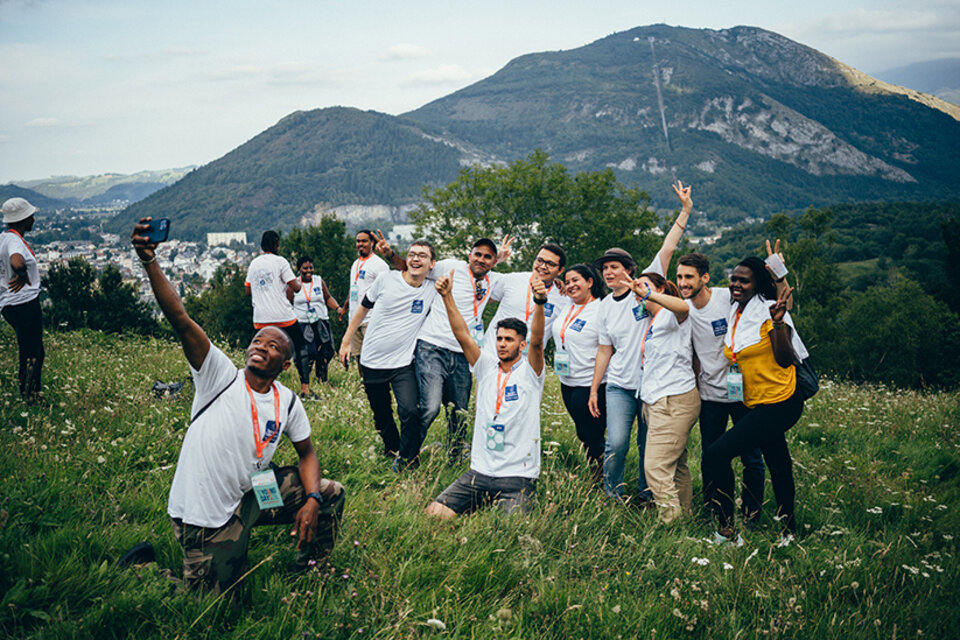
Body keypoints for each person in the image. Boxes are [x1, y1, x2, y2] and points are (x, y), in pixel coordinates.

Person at [131, 218, 345, 597]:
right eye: (258, 340)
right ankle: (144, 567)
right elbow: (180, 319)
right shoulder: (219, 375)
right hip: (207, 514)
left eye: (274, 345)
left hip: (254, 493)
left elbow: (307, 454)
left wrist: (311, 500)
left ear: (285, 364)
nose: (261, 346)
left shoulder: (287, 400)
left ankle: (311, 567)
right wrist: (149, 261)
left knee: (330, 493)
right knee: (215, 605)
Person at [589, 181, 693, 502]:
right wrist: (595, 388)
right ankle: (612, 495)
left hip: (653, 386)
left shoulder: (646, 285)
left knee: (649, 447)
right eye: (604, 269)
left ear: (629, 270)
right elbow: (605, 349)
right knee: (617, 442)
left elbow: (668, 248)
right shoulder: (604, 306)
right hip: (620, 384)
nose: (608, 273)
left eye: (614, 267)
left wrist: (685, 210)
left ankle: (647, 494)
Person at [702, 255, 808, 545]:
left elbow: (786, 359)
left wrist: (778, 323)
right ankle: (789, 530)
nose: (735, 284)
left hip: (781, 401)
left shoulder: (769, 311)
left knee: (716, 454)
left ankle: (726, 532)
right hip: (754, 402)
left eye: (743, 280)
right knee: (778, 462)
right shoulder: (737, 311)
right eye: (733, 279)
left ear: (757, 284)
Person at [426, 273, 547, 518]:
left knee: (509, 532)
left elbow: (537, 342)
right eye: (500, 339)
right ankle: (479, 504)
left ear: (521, 345)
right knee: (434, 514)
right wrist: (447, 297)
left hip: (516, 475)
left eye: (509, 340)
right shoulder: (486, 366)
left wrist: (539, 303)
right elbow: (462, 334)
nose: (502, 344)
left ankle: (493, 505)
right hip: (479, 473)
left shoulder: (530, 372)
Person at [677, 252, 764, 523]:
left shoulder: (727, 298)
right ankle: (713, 507)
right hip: (710, 394)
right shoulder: (683, 310)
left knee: (752, 456)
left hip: (743, 392)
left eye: (689, 277)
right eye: (679, 277)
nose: (683, 283)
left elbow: (770, 304)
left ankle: (751, 513)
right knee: (710, 454)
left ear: (705, 278)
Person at [338, 239, 437, 469]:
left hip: (403, 363)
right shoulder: (386, 279)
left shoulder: (432, 289)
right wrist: (345, 341)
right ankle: (392, 449)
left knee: (410, 410)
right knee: (381, 416)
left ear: (432, 264)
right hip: (372, 360)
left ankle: (408, 458)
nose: (415, 259)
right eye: (412, 254)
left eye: (422, 255)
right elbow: (363, 307)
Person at [414, 237, 509, 464]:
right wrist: (390, 255)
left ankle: (454, 458)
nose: (481, 259)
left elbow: (528, 283)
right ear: (470, 255)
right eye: (478, 254)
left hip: (464, 352)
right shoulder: (450, 267)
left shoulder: (494, 280)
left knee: (460, 412)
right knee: (430, 406)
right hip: (433, 346)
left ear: (494, 262)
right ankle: (408, 453)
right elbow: (414, 269)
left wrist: (557, 286)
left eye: (487, 257)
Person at [620, 272, 699, 523]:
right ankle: (684, 515)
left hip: (674, 398)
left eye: (643, 286)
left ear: (662, 288)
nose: (638, 291)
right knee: (676, 465)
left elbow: (684, 305)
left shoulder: (673, 314)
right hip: (655, 400)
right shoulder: (653, 320)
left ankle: (669, 520)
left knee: (654, 466)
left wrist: (648, 293)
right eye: (636, 290)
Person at [551, 263, 607, 480]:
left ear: (590, 282)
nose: (571, 285)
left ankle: (601, 477)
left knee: (591, 434)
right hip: (567, 381)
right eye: (567, 282)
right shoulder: (568, 305)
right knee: (583, 433)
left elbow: (607, 348)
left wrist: (594, 388)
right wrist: (558, 285)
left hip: (590, 383)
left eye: (576, 280)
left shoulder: (601, 309)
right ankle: (596, 471)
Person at [244, 231, 310, 395]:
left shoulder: (254, 264)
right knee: (301, 347)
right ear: (277, 244)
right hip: (283, 316)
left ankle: (259, 388)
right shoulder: (281, 262)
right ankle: (305, 389)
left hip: (261, 318)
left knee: (261, 352)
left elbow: (247, 289)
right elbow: (295, 287)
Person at [482, 243, 569, 355]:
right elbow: (476, 286)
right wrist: (496, 259)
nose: (543, 266)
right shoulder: (513, 280)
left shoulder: (563, 297)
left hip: (528, 365)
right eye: (539, 260)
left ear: (560, 270)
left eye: (550, 264)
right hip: (493, 358)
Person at [0, 197, 44, 399]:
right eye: (31, 216)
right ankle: (30, 397)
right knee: (32, 353)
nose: (33, 220)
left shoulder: (3, 238)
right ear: (23, 219)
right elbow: (17, 261)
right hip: (23, 303)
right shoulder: (14, 241)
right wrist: (22, 274)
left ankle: (29, 392)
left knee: (30, 349)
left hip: (8, 303)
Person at [292, 256, 342, 395]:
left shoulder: (319, 281)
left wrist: (337, 308)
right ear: (299, 269)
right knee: (309, 352)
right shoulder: (294, 284)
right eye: (305, 268)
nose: (309, 271)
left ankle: (322, 380)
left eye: (310, 268)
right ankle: (305, 382)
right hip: (303, 323)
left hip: (320, 321)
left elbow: (327, 298)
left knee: (326, 351)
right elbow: (288, 303)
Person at [340, 230, 390, 361]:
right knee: (359, 357)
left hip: (371, 318)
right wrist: (345, 308)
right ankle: (363, 382)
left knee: (373, 356)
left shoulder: (379, 265)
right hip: (354, 319)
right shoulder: (355, 264)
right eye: (358, 241)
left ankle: (374, 381)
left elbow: (386, 292)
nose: (360, 244)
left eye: (364, 241)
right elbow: (354, 288)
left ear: (372, 243)